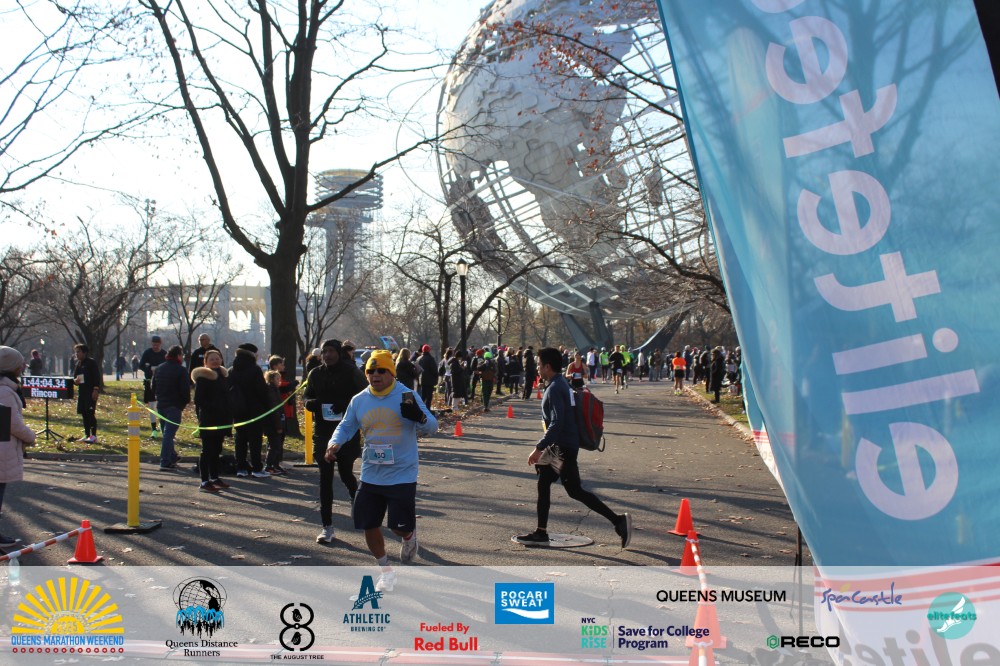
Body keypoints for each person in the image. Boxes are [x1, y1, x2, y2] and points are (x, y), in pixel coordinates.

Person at [325, 350, 437, 592]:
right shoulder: (359, 400)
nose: (375, 375)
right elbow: (346, 425)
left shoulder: (406, 396)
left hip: (402, 472)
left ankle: (409, 536)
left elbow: (433, 426)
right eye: (370, 371)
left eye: (381, 371)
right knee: (369, 523)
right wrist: (334, 443)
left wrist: (419, 417)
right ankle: (385, 570)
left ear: (392, 373)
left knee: (399, 527)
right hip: (371, 472)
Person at [516, 347, 632, 548]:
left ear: (547, 366)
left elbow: (557, 422)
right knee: (563, 487)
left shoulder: (555, 388)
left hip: (562, 446)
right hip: (565, 444)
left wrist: (539, 448)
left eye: (539, 365)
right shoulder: (561, 383)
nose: (538, 368)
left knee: (563, 487)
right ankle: (542, 531)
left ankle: (618, 521)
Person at [302, 339, 367, 543]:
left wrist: (344, 404)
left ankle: (355, 496)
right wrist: (311, 403)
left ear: (339, 353)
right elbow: (306, 396)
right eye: (324, 352)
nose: (327, 355)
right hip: (323, 432)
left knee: (346, 473)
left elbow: (365, 395)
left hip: (347, 431)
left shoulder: (351, 372)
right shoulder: (315, 373)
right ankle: (327, 527)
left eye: (331, 351)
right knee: (325, 478)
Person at [0, 346, 36, 547]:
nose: (22, 367)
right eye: (19, 364)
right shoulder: (4, 392)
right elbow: (12, 423)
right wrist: (30, 436)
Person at [191, 349, 233, 492]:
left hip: (222, 419)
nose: (215, 361)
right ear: (206, 362)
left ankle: (214, 477)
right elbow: (199, 400)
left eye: (217, 358)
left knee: (217, 450)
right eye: (212, 359)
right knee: (207, 451)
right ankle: (204, 481)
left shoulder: (223, 376)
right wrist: (215, 407)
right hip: (209, 419)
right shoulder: (203, 378)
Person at [229, 343, 270, 478]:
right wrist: (266, 406)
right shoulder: (255, 369)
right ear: (252, 354)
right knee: (255, 441)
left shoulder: (232, 370)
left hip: (237, 409)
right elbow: (262, 391)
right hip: (254, 410)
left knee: (240, 439)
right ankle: (256, 468)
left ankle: (241, 467)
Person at [153, 345, 190, 470]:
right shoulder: (181, 370)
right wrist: (184, 402)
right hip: (174, 405)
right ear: (178, 356)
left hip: (161, 404)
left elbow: (153, 386)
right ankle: (165, 461)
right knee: (169, 434)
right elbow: (185, 389)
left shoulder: (159, 368)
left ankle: (172, 456)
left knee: (166, 433)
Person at [71, 343, 101, 444]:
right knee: (84, 413)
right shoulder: (78, 364)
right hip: (82, 392)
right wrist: (75, 381)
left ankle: (93, 436)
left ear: (84, 352)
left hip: (90, 392)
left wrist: (95, 390)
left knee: (90, 413)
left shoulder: (91, 363)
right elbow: (75, 377)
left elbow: (97, 377)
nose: (77, 354)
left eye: (78, 352)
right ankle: (87, 434)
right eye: (76, 352)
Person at [140, 335, 167, 435]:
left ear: (160, 344)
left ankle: (163, 426)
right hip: (149, 381)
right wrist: (149, 369)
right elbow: (141, 365)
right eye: (153, 345)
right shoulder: (147, 353)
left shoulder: (164, 354)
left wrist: (158, 370)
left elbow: (167, 366)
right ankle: (154, 429)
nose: (155, 347)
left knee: (162, 406)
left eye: (157, 345)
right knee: (152, 406)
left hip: (162, 383)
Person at [263, 368, 287, 476]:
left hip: (277, 421)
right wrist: (278, 426)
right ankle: (269, 466)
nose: (279, 381)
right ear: (272, 379)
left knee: (277, 445)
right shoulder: (270, 390)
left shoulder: (275, 390)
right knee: (274, 445)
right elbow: (274, 409)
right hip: (272, 423)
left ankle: (275, 465)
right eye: (278, 379)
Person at [415, 345, 438, 409]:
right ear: (429, 350)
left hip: (421, 380)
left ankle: (421, 409)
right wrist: (436, 378)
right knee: (429, 397)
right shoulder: (431, 359)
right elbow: (434, 370)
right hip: (430, 381)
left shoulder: (418, 359)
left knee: (423, 396)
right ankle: (427, 410)